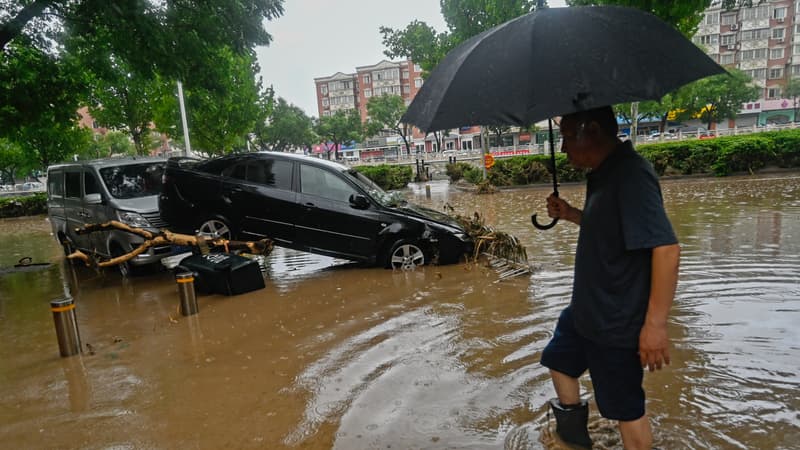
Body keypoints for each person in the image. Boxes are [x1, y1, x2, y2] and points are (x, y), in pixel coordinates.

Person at [540, 106, 680, 450]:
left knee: (624, 408)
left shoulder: (631, 175)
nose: (563, 148)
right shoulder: (603, 173)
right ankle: (574, 442)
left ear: (592, 131)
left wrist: (655, 326)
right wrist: (572, 214)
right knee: (559, 360)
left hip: (616, 319)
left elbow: (666, 248)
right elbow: (611, 228)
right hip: (586, 310)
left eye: (567, 137)